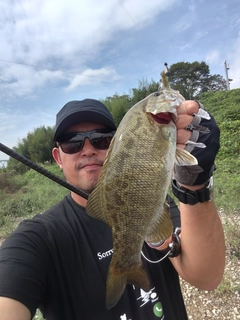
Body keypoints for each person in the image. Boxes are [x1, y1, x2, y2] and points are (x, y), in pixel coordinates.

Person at [0, 97, 225, 320]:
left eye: (101, 139)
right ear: (58, 157)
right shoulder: (39, 238)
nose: (88, 150)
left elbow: (207, 278)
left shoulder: (155, 204)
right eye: (72, 142)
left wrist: (195, 186)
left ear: (118, 144)